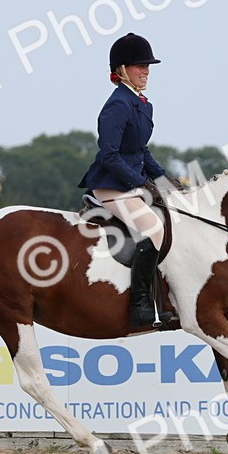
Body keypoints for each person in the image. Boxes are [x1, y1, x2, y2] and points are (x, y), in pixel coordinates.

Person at [78, 32, 182, 328]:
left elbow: (140, 150)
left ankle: (167, 296)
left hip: (132, 183)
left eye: (148, 66)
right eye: (140, 66)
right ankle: (140, 302)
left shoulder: (142, 104)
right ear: (122, 70)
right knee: (155, 231)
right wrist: (141, 183)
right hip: (111, 186)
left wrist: (163, 180)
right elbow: (109, 155)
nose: (146, 71)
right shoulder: (117, 105)